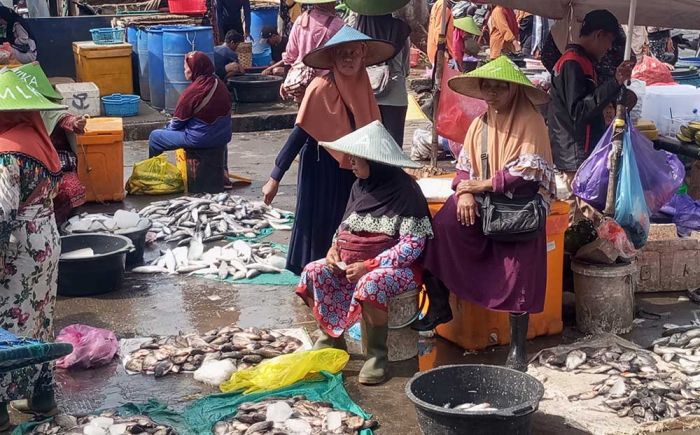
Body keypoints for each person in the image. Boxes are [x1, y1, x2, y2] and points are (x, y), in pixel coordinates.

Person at [416, 57, 555, 372]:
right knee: (442, 227)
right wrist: (465, 190)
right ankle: (440, 305)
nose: (491, 94)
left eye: (499, 87)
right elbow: (463, 166)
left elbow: (529, 171)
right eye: (486, 87)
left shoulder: (532, 121)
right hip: (482, 198)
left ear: (513, 89)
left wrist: (483, 184)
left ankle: (518, 348)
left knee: (518, 269)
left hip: (521, 203)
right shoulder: (479, 123)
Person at [297, 121, 432, 385]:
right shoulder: (359, 186)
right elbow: (345, 226)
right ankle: (331, 339)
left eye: (357, 159)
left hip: (397, 269)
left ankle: (377, 357)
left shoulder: (406, 191)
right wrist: (334, 250)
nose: (351, 163)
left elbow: (411, 247)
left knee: (372, 283)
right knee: (313, 270)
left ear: (376, 162)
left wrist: (369, 265)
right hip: (353, 263)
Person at [262, 26, 396, 275]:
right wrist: (274, 177)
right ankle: (311, 273)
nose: (348, 59)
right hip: (320, 165)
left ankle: (340, 271)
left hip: (352, 168)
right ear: (333, 58)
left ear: (363, 56)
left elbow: (374, 134)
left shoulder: (365, 87)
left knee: (345, 222)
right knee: (317, 222)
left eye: (353, 53)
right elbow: (299, 133)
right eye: (342, 54)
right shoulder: (320, 87)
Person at [0, 70, 67, 431]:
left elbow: (1, 212)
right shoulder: (40, 143)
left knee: (5, 326)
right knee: (39, 319)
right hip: (45, 239)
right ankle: (41, 396)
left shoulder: (7, 152)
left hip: (17, 248)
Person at [547, 10, 634, 221]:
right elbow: (578, 111)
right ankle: (566, 252)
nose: (609, 48)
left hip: (578, 150)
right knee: (575, 210)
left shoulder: (581, 62)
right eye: (609, 41)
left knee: (581, 209)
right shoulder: (573, 63)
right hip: (574, 152)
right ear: (599, 35)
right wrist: (614, 82)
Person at [13, 63, 88, 225]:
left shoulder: (49, 110)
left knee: (70, 189)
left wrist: (76, 123)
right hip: (22, 170)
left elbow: (65, 119)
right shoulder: (11, 114)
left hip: (56, 168)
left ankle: (60, 226)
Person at [148, 52, 232, 189]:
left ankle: (153, 177)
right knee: (218, 136)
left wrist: (166, 128)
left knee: (155, 137)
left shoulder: (193, 91)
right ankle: (224, 175)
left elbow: (176, 125)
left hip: (199, 138)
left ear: (195, 69)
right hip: (222, 137)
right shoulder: (220, 84)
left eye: (187, 67)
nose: (184, 70)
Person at [352, 5, 411, 146]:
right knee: (394, 149)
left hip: (364, 94)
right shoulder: (400, 29)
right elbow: (406, 68)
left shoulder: (357, 31)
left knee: (368, 148)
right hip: (395, 94)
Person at [281, 0, 344, 100]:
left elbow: (289, 55)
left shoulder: (300, 20)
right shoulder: (338, 25)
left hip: (301, 83)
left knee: (303, 114)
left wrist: (285, 81)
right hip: (327, 85)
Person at [426, 0, 456, 67]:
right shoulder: (444, 6)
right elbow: (439, 30)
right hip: (442, 52)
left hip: (436, 49)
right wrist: (443, 50)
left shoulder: (439, 3)